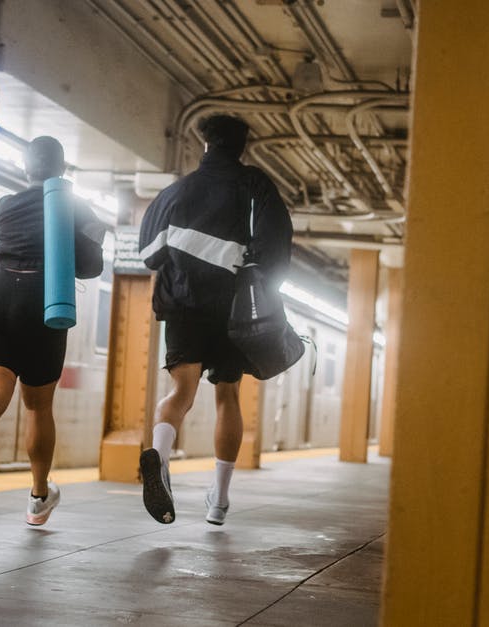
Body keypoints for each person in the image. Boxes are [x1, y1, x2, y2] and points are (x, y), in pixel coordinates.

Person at [137, 114, 292, 525]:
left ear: (205, 146)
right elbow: (276, 246)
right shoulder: (255, 185)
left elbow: (149, 253)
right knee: (228, 395)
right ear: (242, 148)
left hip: (183, 305)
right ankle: (219, 500)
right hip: (234, 307)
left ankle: (161, 460)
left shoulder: (177, 191)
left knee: (180, 392)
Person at [0, 135, 106, 526]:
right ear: (63, 169)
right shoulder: (76, 205)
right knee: (38, 406)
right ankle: (37, 497)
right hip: (43, 301)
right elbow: (90, 266)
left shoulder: (6, 205)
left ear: (24, 167)